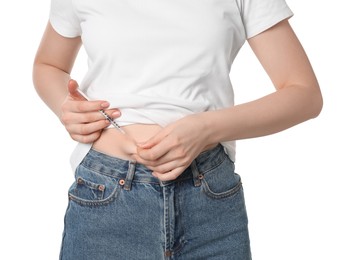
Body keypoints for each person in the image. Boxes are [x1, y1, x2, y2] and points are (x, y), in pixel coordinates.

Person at [33, 0, 323, 259]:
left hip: (209, 204)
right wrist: (65, 105)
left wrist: (206, 128)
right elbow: (49, 65)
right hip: (105, 200)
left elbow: (304, 94)